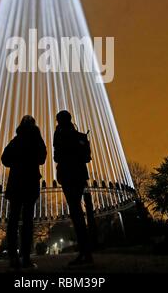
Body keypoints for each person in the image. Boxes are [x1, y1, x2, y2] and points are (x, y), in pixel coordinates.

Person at [1, 115, 46, 269]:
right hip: (31, 182)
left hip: (15, 182)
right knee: (28, 220)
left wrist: (17, 161)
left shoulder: (16, 141)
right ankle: (25, 257)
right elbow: (42, 158)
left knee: (13, 219)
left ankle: (13, 257)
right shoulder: (36, 140)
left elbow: (5, 159)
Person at [53, 110, 93, 266]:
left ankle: (84, 253)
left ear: (59, 121)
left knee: (76, 212)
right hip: (79, 175)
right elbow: (86, 157)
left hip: (68, 176)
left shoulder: (60, 135)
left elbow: (57, 157)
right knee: (78, 212)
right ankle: (86, 252)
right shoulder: (78, 136)